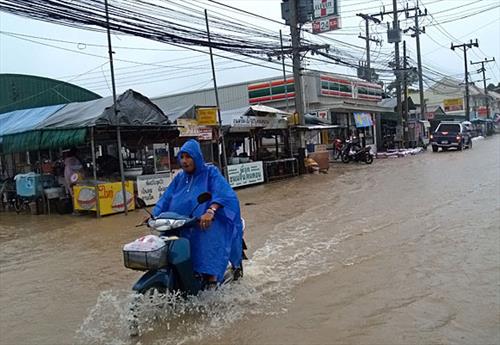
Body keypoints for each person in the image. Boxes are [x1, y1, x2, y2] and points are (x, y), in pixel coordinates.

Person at [151, 139, 243, 287]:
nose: (184, 161)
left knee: (207, 236)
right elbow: (166, 198)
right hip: (183, 222)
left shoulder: (210, 172)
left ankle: (211, 278)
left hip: (207, 221)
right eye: (182, 157)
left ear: (197, 157)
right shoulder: (180, 178)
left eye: (188, 157)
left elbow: (224, 193)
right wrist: (153, 215)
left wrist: (211, 211)